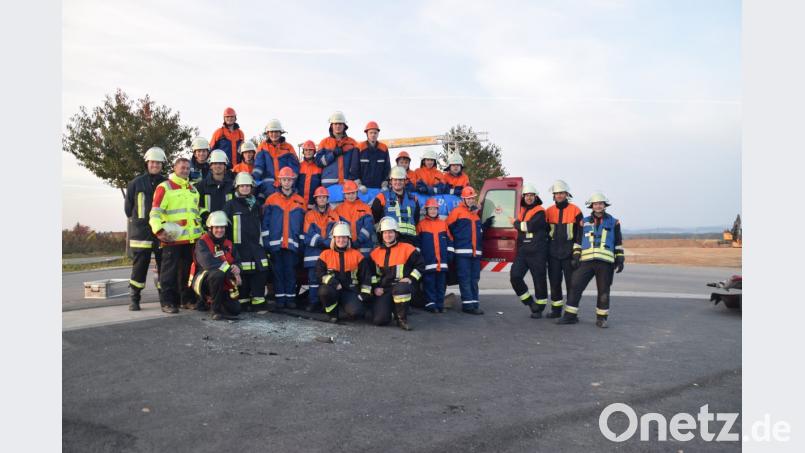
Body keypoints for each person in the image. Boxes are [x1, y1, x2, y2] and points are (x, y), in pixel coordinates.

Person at [557, 192, 625, 328]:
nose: (598, 206)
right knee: (575, 286)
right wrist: (576, 256)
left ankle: (602, 318)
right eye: (595, 204)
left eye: (600, 203)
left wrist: (620, 258)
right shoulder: (584, 221)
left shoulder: (614, 222)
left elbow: (618, 242)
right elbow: (578, 240)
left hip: (605, 263)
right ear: (591, 206)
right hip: (586, 261)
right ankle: (570, 316)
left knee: (603, 291)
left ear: (605, 205)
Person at [149, 156, 203, 313]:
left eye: (187, 168)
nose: (185, 170)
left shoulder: (193, 190)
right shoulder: (165, 187)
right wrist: (158, 230)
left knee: (186, 273)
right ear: (174, 168)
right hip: (171, 239)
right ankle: (167, 303)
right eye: (182, 168)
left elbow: (196, 214)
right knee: (168, 273)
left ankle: (185, 300)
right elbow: (155, 212)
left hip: (190, 240)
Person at [124, 146, 167, 311]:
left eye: (158, 163)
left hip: (161, 231)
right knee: (139, 266)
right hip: (141, 233)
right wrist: (140, 221)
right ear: (147, 163)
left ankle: (165, 299)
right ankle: (134, 298)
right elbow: (128, 209)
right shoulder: (135, 183)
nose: (155, 165)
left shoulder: (166, 184)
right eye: (152, 162)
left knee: (164, 266)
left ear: (162, 165)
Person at [222, 172, 269, 312]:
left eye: (247, 186)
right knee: (242, 274)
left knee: (260, 272)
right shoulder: (230, 205)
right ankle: (243, 302)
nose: (245, 188)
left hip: (256, 247)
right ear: (237, 187)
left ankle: (258, 302)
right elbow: (224, 227)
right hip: (239, 248)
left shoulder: (257, 205)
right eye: (242, 186)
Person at [262, 167, 306, 309]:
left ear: (293, 181)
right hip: (275, 244)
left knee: (291, 272)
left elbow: (304, 224)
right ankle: (280, 300)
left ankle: (291, 299)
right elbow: (265, 223)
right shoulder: (271, 200)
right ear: (280, 181)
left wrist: (301, 242)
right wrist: (267, 242)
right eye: (284, 179)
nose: (287, 182)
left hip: (292, 244)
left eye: (289, 179)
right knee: (278, 273)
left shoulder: (300, 201)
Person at [369, 217, 424, 330]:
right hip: (384, 289)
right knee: (379, 320)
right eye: (385, 232)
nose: (388, 235)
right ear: (381, 234)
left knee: (401, 289)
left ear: (396, 233)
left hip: (401, 286)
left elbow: (421, 266)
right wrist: (375, 287)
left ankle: (401, 319)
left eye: (390, 232)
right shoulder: (375, 253)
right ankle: (394, 310)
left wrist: (411, 278)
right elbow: (371, 274)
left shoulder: (407, 248)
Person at [317, 222, 374, 323]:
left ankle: (344, 310)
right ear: (334, 239)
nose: (341, 240)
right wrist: (334, 282)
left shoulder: (357, 255)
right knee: (324, 292)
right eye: (338, 237)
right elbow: (320, 274)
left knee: (356, 312)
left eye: (344, 237)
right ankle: (333, 314)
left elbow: (366, 276)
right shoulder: (325, 255)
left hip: (350, 291)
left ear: (348, 239)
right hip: (333, 289)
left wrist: (364, 294)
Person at [189, 211, 242, 320]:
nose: (220, 230)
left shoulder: (229, 243)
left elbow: (237, 260)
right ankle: (215, 310)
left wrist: (238, 268)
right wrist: (231, 272)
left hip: (224, 280)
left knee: (235, 310)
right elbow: (209, 264)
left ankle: (213, 302)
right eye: (216, 227)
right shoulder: (202, 242)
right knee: (217, 274)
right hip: (205, 280)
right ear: (210, 228)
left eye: (222, 227)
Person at [508, 183, 550, 318]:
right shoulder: (521, 210)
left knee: (539, 280)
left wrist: (515, 223)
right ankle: (530, 302)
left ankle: (539, 307)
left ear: (536, 197)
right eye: (527, 195)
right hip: (523, 251)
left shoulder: (540, 211)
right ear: (523, 197)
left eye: (532, 195)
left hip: (537, 251)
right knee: (515, 276)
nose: (529, 198)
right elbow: (505, 206)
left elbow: (529, 226)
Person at [545, 180, 583, 317]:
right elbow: (544, 233)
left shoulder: (575, 210)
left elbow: (580, 233)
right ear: (553, 195)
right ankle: (556, 311)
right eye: (557, 193)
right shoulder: (548, 211)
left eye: (561, 193)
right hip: (553, 253)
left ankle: (571, 313)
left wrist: (577, 253)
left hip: (569, 253)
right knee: (554, 283)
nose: (559, 196)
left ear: (567, 194)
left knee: (571, 284)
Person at [446, 186, 484, 315]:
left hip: (475, 253)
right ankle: (468, 306)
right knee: (465, 278)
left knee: (474, 279)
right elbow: (447, 229)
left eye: (473, 198)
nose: (471, 200)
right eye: (468, 198)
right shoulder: (456, 212)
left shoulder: (476, 215)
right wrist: (451, 245)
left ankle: (475, 304)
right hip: (462, 252)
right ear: (463, 199)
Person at [303, 186, 339, 312]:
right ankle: (313, 302)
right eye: (319, 197)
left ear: (327, 199)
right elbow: (308, 234)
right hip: (313, 255)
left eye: (324, 197)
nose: (322, 199)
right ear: (316, 199)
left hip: (328, 254)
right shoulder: (309, 215)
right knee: (313, 280)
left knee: (326, 279)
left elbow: (336, 233)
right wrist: (325, 242)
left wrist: (325, 242)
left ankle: (325, 304)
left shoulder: (334, 215)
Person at [417, 198, 453, 313]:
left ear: (438, 210)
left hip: (442, 262)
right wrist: (419, 258)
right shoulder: (421, 225)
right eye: (430, 209)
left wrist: (450, 254)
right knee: (429, 284)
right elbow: (417, 242)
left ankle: (440, 304)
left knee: (441, 284)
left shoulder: (443, 224)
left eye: (435, 209)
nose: (433, 211)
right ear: (426, 210)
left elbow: (450, 240)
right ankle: (431, 304)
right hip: (428, 262)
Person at [371, 166, 420, 246]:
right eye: (395, 180)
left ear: (405, 181)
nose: (398, 182)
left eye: (400, 180)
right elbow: (374, 219)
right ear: (390, 181)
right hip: (390, 241)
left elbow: (416, 220)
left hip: (410, 241)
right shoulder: (382, 197)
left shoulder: (414, 199)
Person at [253, 119, 300, 201]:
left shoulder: (288, 148)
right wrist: (253, 178)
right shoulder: (262, 147)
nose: (274, 134)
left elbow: (294, 168)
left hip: (285, 187)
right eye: (271, 132)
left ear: (280, 133)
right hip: (268, 188)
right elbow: (258, 166)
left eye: (276, 132)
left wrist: (290, 184)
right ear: (267, 133)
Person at [316, 111, 359, 187]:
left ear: (344, 126)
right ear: (331, 126)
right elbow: (319, 162)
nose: (338, 126)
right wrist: (333, 154)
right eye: (335, 124)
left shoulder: (352, 143)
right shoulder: (324, 142)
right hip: (329, 186)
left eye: (340, 124)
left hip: (347, 186)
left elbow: (357, 164)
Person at [334, 180, 375, 256]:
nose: (351, 195)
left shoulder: (365, 208)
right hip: (346, 248)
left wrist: (358, 241)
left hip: (364, 250)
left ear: (357, 193)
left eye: (353, 193)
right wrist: (347, 242)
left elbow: (368, 227)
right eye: (348, 193)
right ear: (344, 194)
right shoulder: (338, 210)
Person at [197, 149, 234, 226]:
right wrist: (207, 217)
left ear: (225, 166)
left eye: (221, 163)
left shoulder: (232, 185)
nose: (218, 166)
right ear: (210, 166)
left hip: (228, 226)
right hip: (208, 227)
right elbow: (198, 206)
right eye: (215, 163)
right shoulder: (202, 186)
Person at [353, 121, 391, 191]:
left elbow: (387, 168)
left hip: (379, 188)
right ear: (367, 133)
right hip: (363, 189)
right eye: (371, 133)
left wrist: (385, 183)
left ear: (378, 134)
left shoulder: (384, 148)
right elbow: (354, 168)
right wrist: (359, 185)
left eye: (375, 133)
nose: (373, 135)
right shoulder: (359, 147)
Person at [297, 140, 322, 208]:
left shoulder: (319, 167)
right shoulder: (299, 166)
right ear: (303, 152)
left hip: (314, 205)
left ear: (314, 152)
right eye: (306, 150)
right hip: (299, 204)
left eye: (310, 150)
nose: (308, 152)